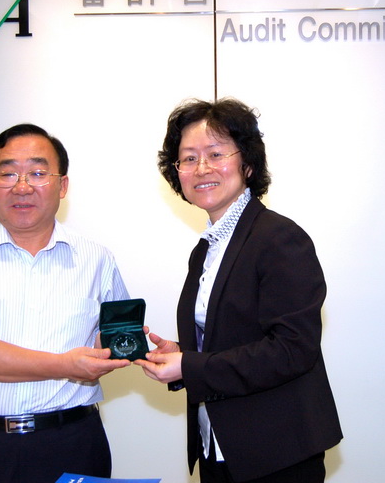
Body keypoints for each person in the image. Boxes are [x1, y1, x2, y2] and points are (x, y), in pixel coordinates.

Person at [137, 98, 342, 483]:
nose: (202, 168)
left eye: (216, 153)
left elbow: (292, 349)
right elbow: (233, 337)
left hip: (276, 454)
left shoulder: (279, 238)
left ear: (246, 163)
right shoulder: (208, 248)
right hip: (220, 445)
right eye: (189, 158)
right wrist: (183, 354)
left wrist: (190, 366)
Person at [0, 123, 131, 483]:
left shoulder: (96, 258)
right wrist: (65, 364)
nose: (22, 186)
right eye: (7, 174)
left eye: (38, 172)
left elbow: (112, 339)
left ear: (62, 185)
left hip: (74, 442)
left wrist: (128, 345)